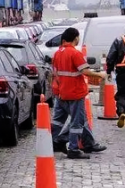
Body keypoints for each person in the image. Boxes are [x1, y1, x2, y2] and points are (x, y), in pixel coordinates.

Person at [51, 27, 107, 159]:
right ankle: (73, 148)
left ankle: (87, 143)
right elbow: (85, 71)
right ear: (75, 38)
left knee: (61, 121)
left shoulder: (58, 53)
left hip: (61, 93)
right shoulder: (75, 53)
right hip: (75, 93)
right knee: (78, 122)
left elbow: (55, 73)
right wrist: (100, 75)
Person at [105, 31, 125, 128]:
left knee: (122, 92)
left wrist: (109, 70)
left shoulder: (119, 40)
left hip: (122, 69)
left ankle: (121, 111)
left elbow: (111, 56)